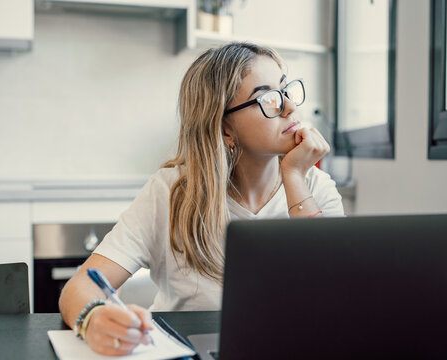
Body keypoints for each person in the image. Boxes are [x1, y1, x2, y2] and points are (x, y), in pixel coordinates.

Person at [59, 42, 344, 356]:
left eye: (286, 89)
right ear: (225, 129)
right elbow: (80, 286)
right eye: (268, 98)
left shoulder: (315, 185)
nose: (289, 106)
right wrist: (94, 319)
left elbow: (335, 293)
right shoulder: (171, 190)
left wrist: (294, 177)